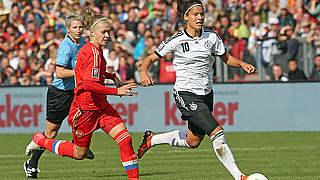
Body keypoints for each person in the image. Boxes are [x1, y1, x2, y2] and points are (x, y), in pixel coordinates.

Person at [137, 1, 256, 180]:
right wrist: (143, 72)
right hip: (185, 93)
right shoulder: (176, 40)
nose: (200, 17)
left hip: (206, 93)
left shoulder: (212, 37)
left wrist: (242, 64)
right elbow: (149, 58)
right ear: (186, 17)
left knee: (192, 141)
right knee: (217, 132)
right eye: (195, 14)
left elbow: (227, 58)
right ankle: (240, 176)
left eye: (202, 14)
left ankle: (151, 140)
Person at [25, 7, 139, 180]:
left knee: (125, 139)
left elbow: (89, 74)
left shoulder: (93, 49)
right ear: (92, 33)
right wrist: (116, 90)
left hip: (100, 106)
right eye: (104, 32)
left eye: (109, 31)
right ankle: (41, 141)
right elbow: (86, 82)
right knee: (77, 152)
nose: (107, 35)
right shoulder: (78, 49)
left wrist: (111, 76)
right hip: (81, 107)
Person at [23, 13, 95, 179]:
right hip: (59, 94)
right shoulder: (66, 47)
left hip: (74, 91)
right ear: (68, 29)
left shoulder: (82, 43)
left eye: (80, 27)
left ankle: (79, 145)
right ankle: (31, 163)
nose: (78, 30)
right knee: (51, 132)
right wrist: (81, 73)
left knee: (87, 116)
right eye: (75, 27)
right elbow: (60, 72)